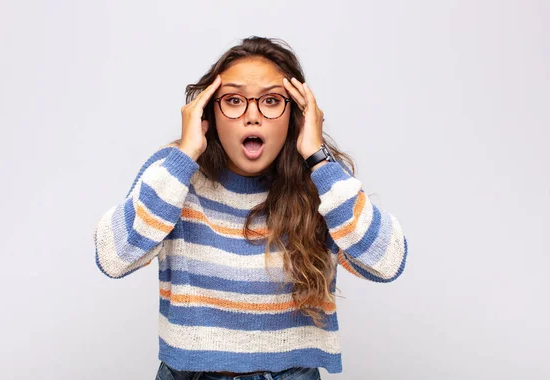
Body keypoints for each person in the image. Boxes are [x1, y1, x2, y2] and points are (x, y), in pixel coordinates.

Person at [93, 36, 408, 380]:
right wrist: (183, 156)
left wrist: (319, 159)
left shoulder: (324, 183)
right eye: (233, 100)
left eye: (271, 101)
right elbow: (114, 257)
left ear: (297, 115)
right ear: (209, 112)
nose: (252, 116)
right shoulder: (174, 176)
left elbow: (387, 262)